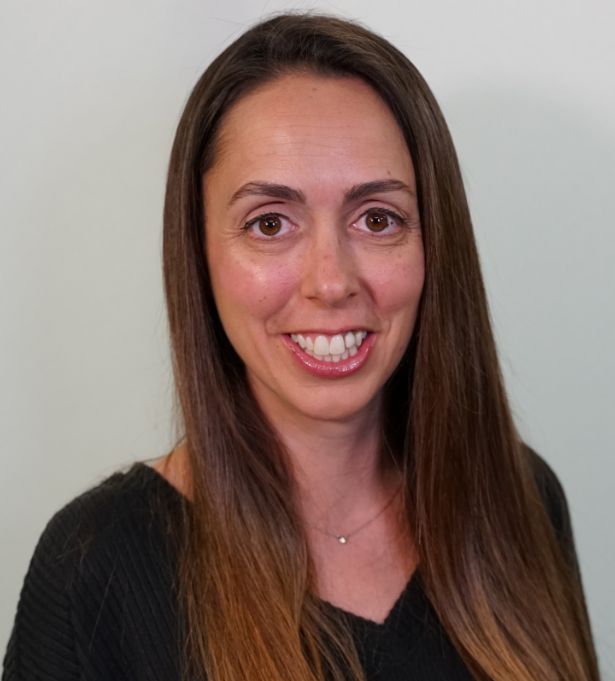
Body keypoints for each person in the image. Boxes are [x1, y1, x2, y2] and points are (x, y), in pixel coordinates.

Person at [3, 12, 600, 681]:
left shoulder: (517, 498)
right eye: (269, 223)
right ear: (198, 253)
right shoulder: (93, 567)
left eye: (377, 218)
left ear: (434, 244)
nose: (331, 281)